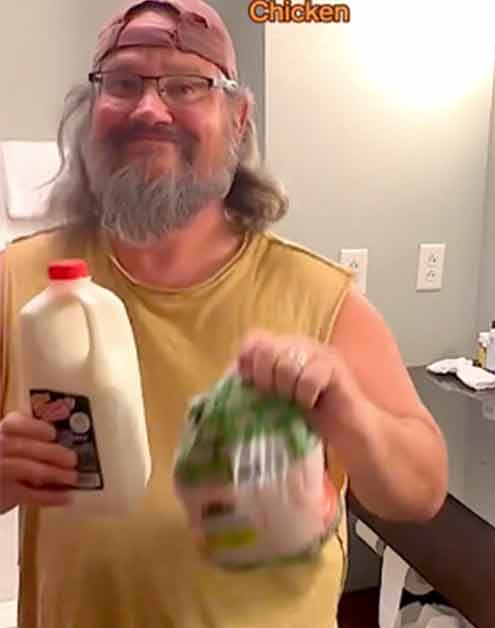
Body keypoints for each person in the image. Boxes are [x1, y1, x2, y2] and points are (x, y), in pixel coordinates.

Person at [0, 1, 448, 626]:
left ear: (237, 120)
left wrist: (351, 413)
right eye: (123, 84)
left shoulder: (321, 299)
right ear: (91, 113)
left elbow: (422, 491)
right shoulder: (19, 281)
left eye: (187, 86)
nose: (149, 109)